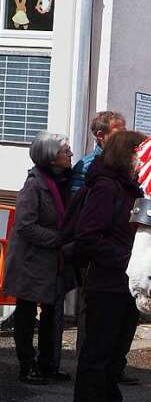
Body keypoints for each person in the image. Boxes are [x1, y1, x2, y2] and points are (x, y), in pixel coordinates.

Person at [71, 129, 145, 402]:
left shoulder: (130, 187)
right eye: (141, 152)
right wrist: (127, 259)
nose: (146, 159)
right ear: (127, 155)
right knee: (97, 354)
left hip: (126, 283)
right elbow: (88, 236)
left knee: (117, 353)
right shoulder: (105, 187)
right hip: (106, 283)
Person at [2, 134, 76, 384]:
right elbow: (24, 226)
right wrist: (59, 238)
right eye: (65, 151)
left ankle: (48, 364)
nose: (70, 154)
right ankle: (27, 365)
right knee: (26, 313)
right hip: (30, 261)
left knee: (52, 313)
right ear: (51, 157)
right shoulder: (34, 185)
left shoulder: (62, 182)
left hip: (52, 262)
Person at [69, 110, 125, 193]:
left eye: (125, 132)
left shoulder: (126, 163)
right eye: (119, 134)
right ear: (101, 135)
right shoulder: (85, 167)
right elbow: (77, 200)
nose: (124, 137)